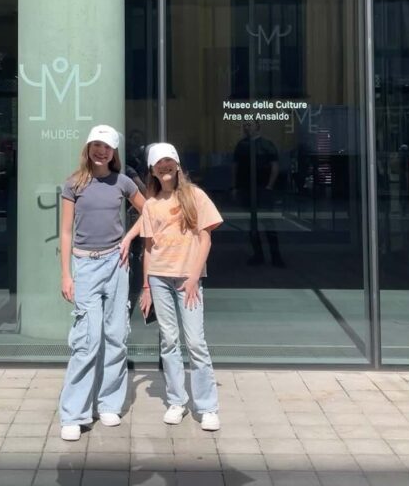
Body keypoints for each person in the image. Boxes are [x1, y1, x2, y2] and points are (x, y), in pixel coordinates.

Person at [58, 124, 146, 442]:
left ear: (114, 152)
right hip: (84, 266)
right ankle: (75, 413)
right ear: (88, 148)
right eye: (97, 145)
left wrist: (129, 238)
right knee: (86, 341)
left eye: (107, 147)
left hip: (116, 264)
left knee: (116, 336)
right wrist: (66, 274)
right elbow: (65, 232)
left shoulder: (122, 181)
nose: (101, 151)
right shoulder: (74, 184)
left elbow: (148, 212)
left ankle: (109, 403)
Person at [136, 142, 224, 431]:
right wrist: (146, 287)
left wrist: (194, 277)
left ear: (177, 165)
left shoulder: (195, 196)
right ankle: (177, 401)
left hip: (189, 279)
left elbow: (206, 238)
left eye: (169, 161)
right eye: (158, 163)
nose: (164, 166)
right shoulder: (150, 204)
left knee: (196, 342)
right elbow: (148, 248)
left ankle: (208, 407)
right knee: (169, 341)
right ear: (152, 169)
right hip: (159, 279)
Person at [232, 122, 284, 266]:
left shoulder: (267, 145)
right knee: (252, 224)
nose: (247, 127)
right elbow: (235, 167)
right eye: (245, 125)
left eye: (250, 125)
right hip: (246, 189)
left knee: (268, 222)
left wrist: (269, 186)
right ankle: (258, 255)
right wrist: (235, 186)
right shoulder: (241, 145)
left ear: (257, 127)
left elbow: (275, 166)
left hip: (263, 188)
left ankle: (276, 256)